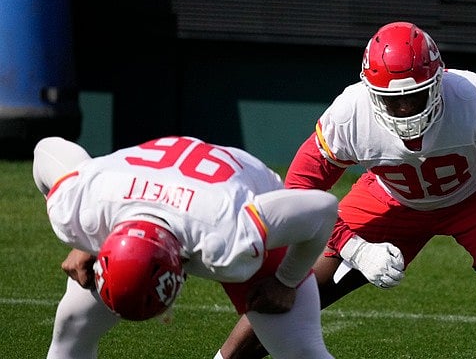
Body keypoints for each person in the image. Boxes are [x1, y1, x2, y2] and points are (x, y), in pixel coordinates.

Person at [217, 21, 476, 359]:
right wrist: (355, 248)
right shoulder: (350, 115)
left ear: (439, 80)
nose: (406, 111)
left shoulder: (474, 97)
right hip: (392, 195)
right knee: (293, 287)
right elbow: (298, 192)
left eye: (416, 96)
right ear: (369, 92)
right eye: (392, 101)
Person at [33, 135, 340, 359]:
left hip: (236, 194)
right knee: (73, 326)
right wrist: (91, 239)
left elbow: (323, 208)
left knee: (301, 351)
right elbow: (46, 150)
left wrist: (287, 280)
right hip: (133, 203)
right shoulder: (80, 204)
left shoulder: (232, 237)